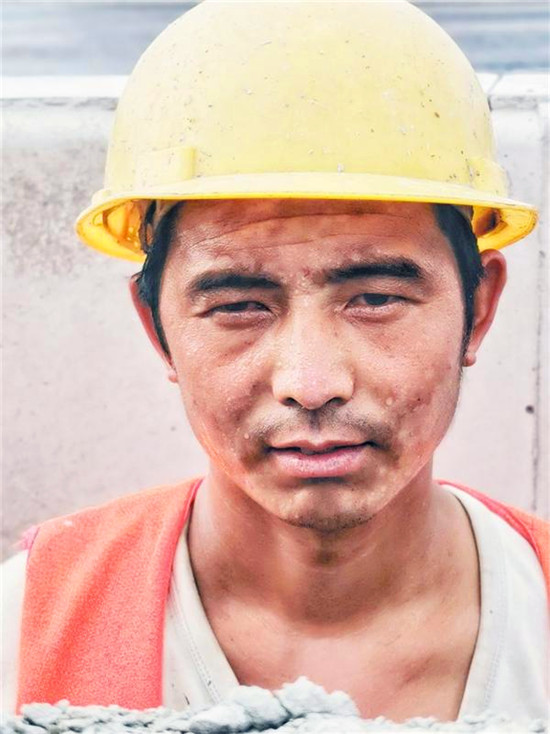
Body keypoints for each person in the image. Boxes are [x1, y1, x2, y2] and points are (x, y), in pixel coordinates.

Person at [2, 0, 548, 724]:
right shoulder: (23, 630)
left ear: (478, 309)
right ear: (157, 328)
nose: (311, 383)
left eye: (375, 298)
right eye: (239, 306)